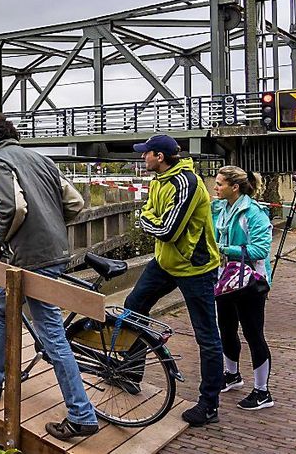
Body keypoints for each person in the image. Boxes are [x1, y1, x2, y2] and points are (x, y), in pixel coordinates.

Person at [0, 115, 99, 441]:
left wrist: (0, 233)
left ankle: (81, 414)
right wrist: (51, 224)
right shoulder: (42, 158)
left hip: (30, 259)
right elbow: (75, 202)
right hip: (55, 251)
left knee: (52, 335)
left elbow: (14, 208)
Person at [125, 134, 223, 427]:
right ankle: (131, 373)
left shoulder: (187, 184)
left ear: (159, 157)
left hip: (194, 267)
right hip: (166, 262)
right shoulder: (160, 180)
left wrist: (146, 219)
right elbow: (153, 217)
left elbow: (167, 229)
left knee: (206, 336)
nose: (142, 157)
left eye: (146, 153)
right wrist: (150, 217)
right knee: (133, 306)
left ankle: (209, 404)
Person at [211, 165, 275, 411]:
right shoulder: (222, 208)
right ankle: (232, 375)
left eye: (219, 184)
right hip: (226, 279)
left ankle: (262, 392)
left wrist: (224, 250)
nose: (215, 188)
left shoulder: (255, 213)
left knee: (253, 333)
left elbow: (260, 250)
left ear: (234, 187)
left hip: (251, 282)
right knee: (226, 328)